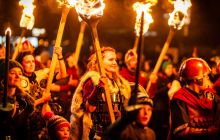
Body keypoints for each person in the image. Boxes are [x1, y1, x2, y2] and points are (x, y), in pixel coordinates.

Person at [70, 47, 131, 140]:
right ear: (100, 62)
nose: (115, 63)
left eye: (115, 60)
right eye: (111, 59)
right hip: (96, 134)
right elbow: (90, 108)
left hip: (113, 133)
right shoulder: (92, 80)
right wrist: (99, 87)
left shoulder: (118, 83)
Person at [169, 57, 220, 140]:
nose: (208, 79)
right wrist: (207, 132)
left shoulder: (211, 96)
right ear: (198, 79)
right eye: (206, 76)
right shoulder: (180, 99)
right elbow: (180, 131)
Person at [0, 59, 34, 140]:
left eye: (20, 73)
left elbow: (25, 131)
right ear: (3, 75)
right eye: (12, 73)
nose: (18, 76)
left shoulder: (24, 102)